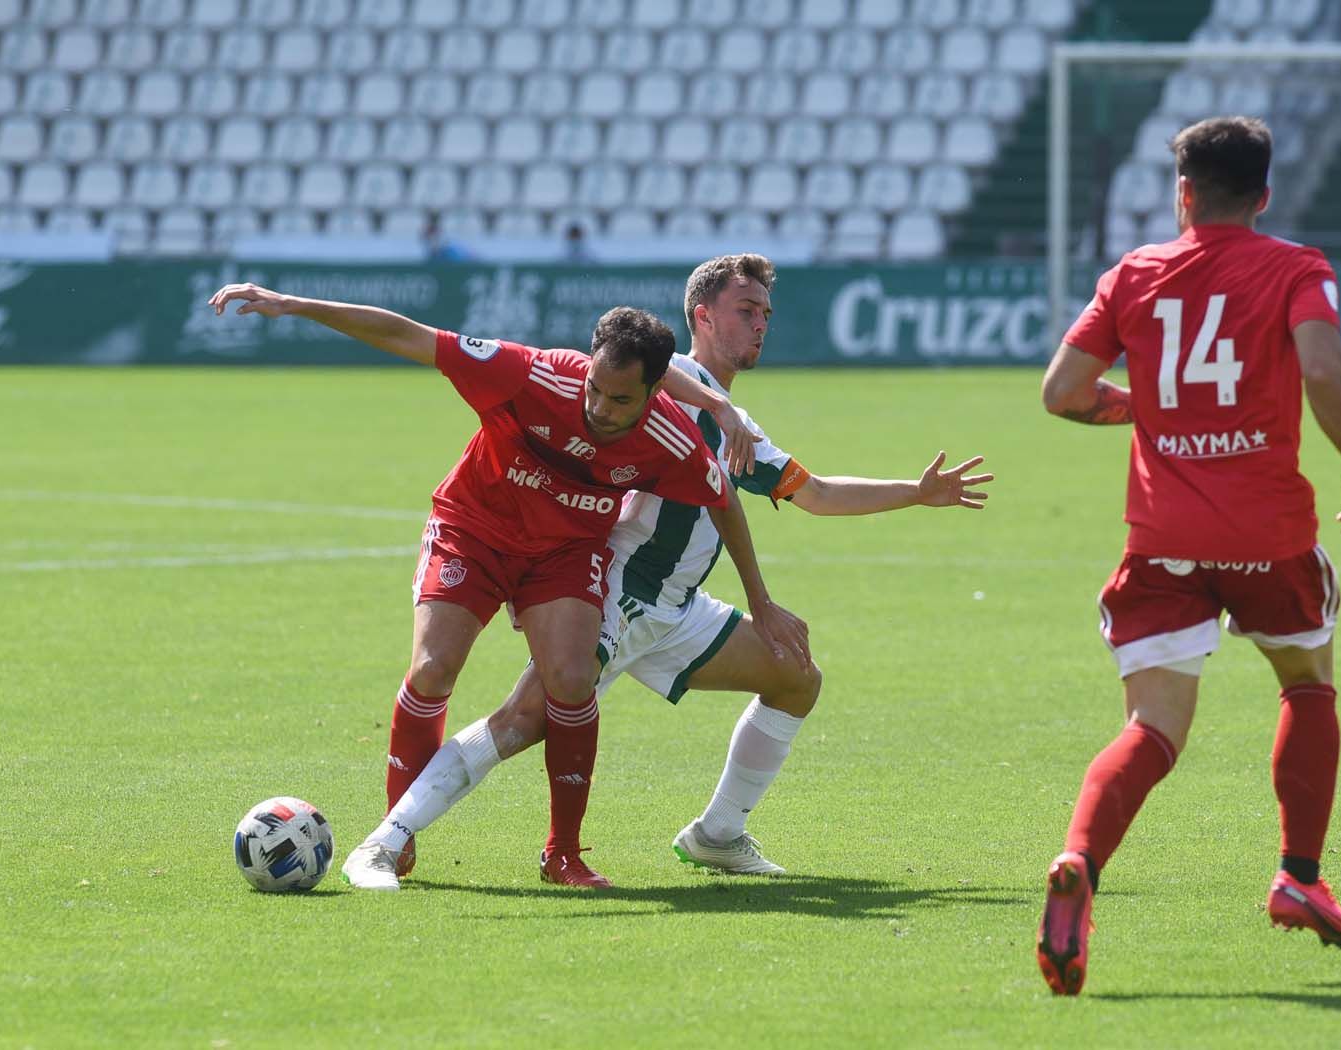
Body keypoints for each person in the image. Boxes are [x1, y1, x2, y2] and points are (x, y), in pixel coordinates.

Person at [343, 253, 992, 891]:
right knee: (521, 720)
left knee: (796, 679)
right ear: (701, 316)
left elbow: (815, 492)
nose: (759, 323)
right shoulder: (662, 381)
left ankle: (715, 835)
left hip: (677, 610)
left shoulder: (737, 429)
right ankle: (386, 841)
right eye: (745, 310)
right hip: (619, 595)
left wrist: (914, 490)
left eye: (765, 312)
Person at [206, 283, 762, 889]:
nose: (599, 408)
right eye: (594, 388)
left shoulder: (670, 439)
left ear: (655, 392)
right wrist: (294, 304)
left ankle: (564, 855)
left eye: (620, 399)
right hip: (475, 527)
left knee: (573, 682)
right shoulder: (532, 374)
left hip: (564, 552)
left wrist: (763, 602)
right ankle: (397, 836)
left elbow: (724, 500)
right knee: (432, 669)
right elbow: (410, 336)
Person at [1035, 117, 1341, 995]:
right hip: (1266, 533)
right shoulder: (1295, 267)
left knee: (1151, 728)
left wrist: (1147, 411)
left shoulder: (1134, 274)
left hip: (1163, 541)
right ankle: (1298, 876)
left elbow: (1062, 393)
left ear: (1180, 193)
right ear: (1264, 194)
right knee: (1305, 683)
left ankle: (1078, 860)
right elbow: (1321, 368)